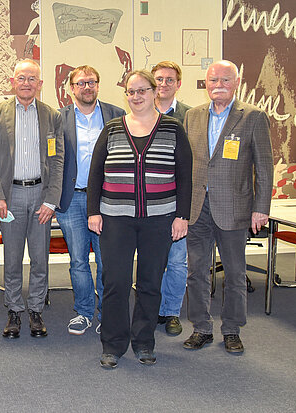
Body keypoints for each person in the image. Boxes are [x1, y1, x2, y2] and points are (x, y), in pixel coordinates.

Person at [87, 70, 192, 369]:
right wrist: (93, 211)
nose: (136, 96)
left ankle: (144, 341)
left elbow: (185, 176)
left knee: (149, 282)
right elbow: (96, 173)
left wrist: (181, 215)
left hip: (159, 219)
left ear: (154, 92)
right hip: (116, 219)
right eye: (131, 92)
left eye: (142, 90)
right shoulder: (112, 128)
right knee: (115, 282)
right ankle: (113, 344)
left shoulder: (172, 128)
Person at [182, 60, 273, 354]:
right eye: (212, 80)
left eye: (224, 80)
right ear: (205, 84)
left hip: (235, 208)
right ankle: (201, 328)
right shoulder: (193, 116)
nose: (217, 85)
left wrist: (261, 208)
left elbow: (264, 166)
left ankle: (232, 329)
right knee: (196, 272)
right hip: (198, 207)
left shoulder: (253, 117)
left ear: (236, 83)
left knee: (234, 274)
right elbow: (184, 165)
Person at [0, 59, 64, 339]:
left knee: (40, 258)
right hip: (10, 196)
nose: (26, 83)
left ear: (40, 84)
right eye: (21, 78)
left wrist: (51, 200)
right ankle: (15, 309)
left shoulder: (52, 115)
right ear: (12, 82)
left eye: (32, 78)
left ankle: (36, 310)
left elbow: (58, 160)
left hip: (41, 195)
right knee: (12, 257)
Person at [57, 65, 125, 335]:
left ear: (98, 85)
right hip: (72, 199)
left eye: (92, 82)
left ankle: (107, 313)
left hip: (107, 200)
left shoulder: (117, 116)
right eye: (81, 83)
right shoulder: (58, 118)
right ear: (71, 88)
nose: (87, 87)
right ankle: (84, 312)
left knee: (107, 260)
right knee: (78, 261)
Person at [151, 61, 192, 336]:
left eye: (169, 80)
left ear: (178, 84)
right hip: (147, 201)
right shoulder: (140, 113)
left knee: (177, 261)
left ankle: (171, 312)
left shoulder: (191, 116)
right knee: (152, 260)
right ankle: (152, 307)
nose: (163, 84)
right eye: (158, 79)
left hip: (177, 200)